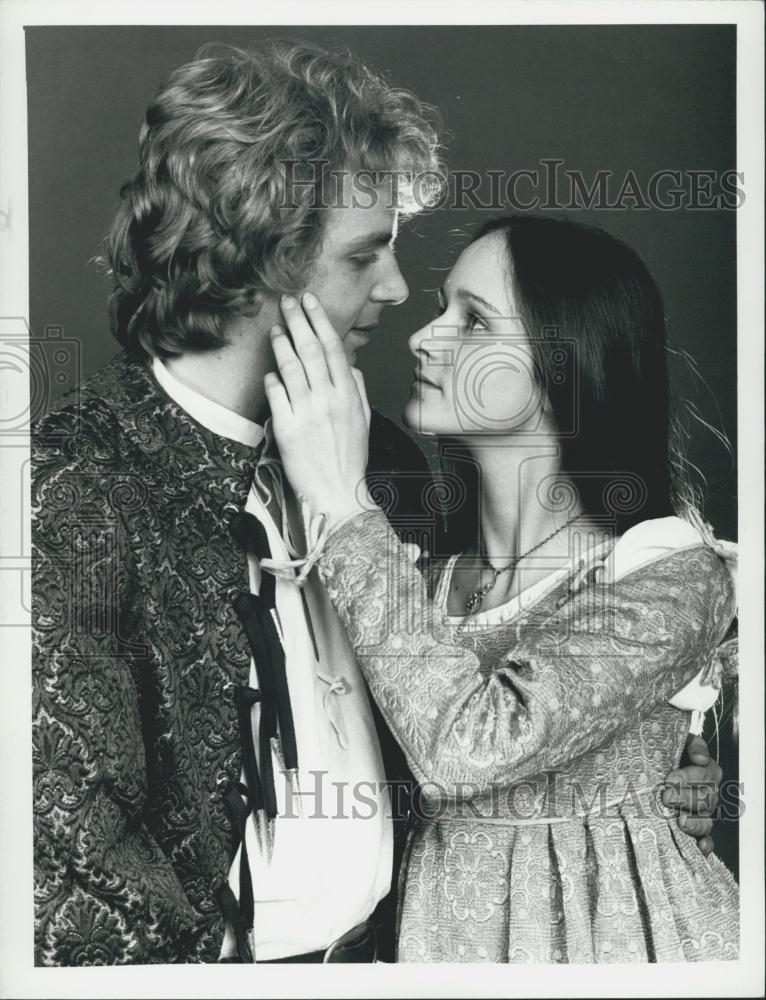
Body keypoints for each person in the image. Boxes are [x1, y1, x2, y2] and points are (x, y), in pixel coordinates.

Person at [31, 42, 721, 966]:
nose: (398, 294)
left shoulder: (390, 473)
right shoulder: (75, 487)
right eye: (367, 255)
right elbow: (64, 860)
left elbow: (474, 695)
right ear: (261, 259)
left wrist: (649, 769)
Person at [265, 214, 739, 963]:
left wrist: (339, 497)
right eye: (440, 308)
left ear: (566, 361)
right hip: (439, 947)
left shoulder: (667, 572)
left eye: (475, 320)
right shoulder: (412, 577)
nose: (425, 338)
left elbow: (467, 749)